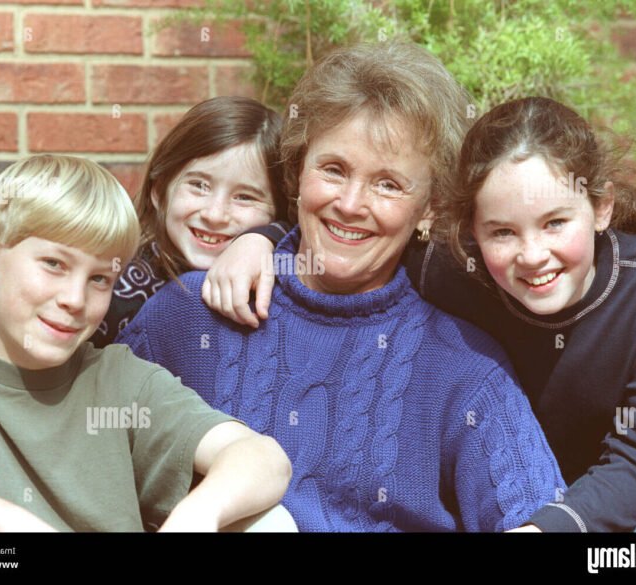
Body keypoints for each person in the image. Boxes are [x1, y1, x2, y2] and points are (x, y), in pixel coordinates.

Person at [116, 43, 566, 532]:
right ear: (298, 172)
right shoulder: (189, 314)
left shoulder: (466, 369)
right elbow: (86, 459)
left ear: (431, 207)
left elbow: (539, 517)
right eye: (333, 170)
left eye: (388, 184)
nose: (350, 204)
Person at [208, 96, 636, 532]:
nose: (533, 255)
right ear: (470, 231)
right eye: (503, 232)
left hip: (633, 494)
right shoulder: (452, 270)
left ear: (601, 208)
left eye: (555, 223)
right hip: (519, 493)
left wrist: (546, 528)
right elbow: (351, 233)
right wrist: (262, 240)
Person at [0, 155, 292, 532]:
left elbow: (263, 458)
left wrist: (200, 513)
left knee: (271, 523)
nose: (75, 299)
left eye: (99, 279)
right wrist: (8, 522)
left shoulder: (120, 382)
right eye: (54, 264)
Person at [90, 96, 287, 347]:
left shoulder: (288, 271)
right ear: (159, 191)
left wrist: (264, 238)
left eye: (245, 197)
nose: (214, 215)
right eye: (199, 185)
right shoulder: (114, 290)